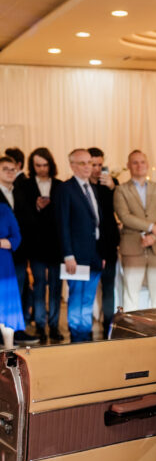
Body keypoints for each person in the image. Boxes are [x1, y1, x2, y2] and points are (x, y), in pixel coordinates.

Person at [56, 148, 105, 342]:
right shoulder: (65, 189)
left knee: (88, 298)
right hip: (75, 256)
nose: (87, 167)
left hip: (94, 255)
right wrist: (68, 255)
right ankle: (78, 339)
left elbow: (96, 224)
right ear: (72, 166)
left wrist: (101, 255)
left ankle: (85, 336)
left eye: (89, 162)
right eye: (82, 163)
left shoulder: (92, 188)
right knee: (76, 298)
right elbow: (62, 224)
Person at [113, 150, 156, 311]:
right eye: (135, 162)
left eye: (142, 162)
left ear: (148, 164)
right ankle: (131, 328)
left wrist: (153, 237)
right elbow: (124, 216)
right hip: (132, 248)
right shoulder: (121, 190)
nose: (139, 166)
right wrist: (152, 227)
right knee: (131, 295)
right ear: (128, 165)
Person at [20, 147, 63, 343]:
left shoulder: (60, 185)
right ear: (32, 166)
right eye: (38, 165)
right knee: (38, 286)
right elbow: (22, 214)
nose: (42, 169)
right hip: (36, 244)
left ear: (50, 165)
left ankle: (53, 326)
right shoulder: (26, 185)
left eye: (45, 165)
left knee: (55, 287)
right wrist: (36, 206)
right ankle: (39, 325)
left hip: (56, 244)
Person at [0, 156, 38, 344]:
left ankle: (17, 331)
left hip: (18, 251)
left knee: (18, 294)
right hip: (2, 255)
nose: (10, 172)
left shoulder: (21, 192)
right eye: (5, 169)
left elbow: (28, 222)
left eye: (12, 169)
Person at [88, 148, 121, 338]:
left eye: (100, 165)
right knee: (89, 289)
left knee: (109, 288)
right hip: (89, 246)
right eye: (93, 164)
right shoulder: (83, 185)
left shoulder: (111, 183)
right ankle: (86, 326)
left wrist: (113, 188)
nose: (97, 169)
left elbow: (119, 208)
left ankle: (109, 326)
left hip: (108, 245)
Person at [0, 202, 27, 342]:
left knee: (6, 310)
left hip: (3, 265)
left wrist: (1, 242)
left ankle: (9, 350)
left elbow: (16, 238)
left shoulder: (4, 209)